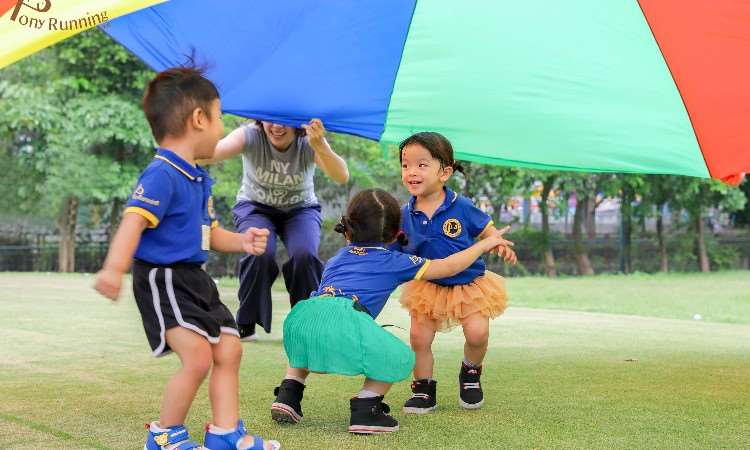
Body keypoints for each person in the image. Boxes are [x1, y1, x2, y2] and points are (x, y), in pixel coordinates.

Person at [93, 67, 280, 450]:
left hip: (195, 278)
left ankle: (226, 434)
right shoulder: (162, 172)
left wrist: (243, 241)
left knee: (229, 348)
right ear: (199, 119)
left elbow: (208, 234)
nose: (221, 128)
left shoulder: (197, 176)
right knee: (196, 358)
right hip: (163, 278)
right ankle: (163, 435)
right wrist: (113, 269)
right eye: (220, 118)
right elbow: (133, 222)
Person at [268, 189, 514, 434]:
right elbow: (448, 267)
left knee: (315, 332)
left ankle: (289, 393)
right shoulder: (395, 261)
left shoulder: (337, 258)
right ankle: (366, 408)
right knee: (399, 356)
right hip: (346, 323)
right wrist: (484, 244)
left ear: (348, 231)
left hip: (300, 322)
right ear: (397, 234)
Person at [396, 131, 517, 414]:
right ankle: (424, 387)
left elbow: (485, 228)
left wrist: (496, 242)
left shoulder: (460, 205)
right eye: (405, 165)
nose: (411, 172)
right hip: (427, 286)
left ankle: (471, 373)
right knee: (419, 338)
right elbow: (392, 247)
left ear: (445, 172)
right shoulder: (402, 214)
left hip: (469, 285)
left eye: (421, 165)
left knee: (477, 334)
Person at [202, 118, 349, 340]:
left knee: (305, 255)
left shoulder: (309, 141)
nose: (277, 126)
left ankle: (306, 324)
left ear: (297, 123)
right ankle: (246, 322)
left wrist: (321, 145)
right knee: (259, 251)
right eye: (271, 119)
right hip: (255, 207)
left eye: (285, 121)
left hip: (301, 209)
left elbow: (342, 176)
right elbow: (212, 152)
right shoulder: (249, 135)